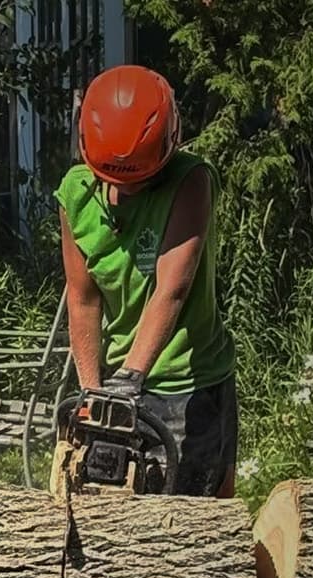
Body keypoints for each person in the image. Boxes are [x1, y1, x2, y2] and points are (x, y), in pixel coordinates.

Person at [55, 63, 236, 498]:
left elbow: (171, 288)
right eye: (116, 182)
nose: (128, 191)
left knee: (198, 524)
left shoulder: (190, 181)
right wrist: (94, 392)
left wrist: (131, 378)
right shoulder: (75, 194)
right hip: (117, 377)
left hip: (189, 384)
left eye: (141, 181)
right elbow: (83, 300)